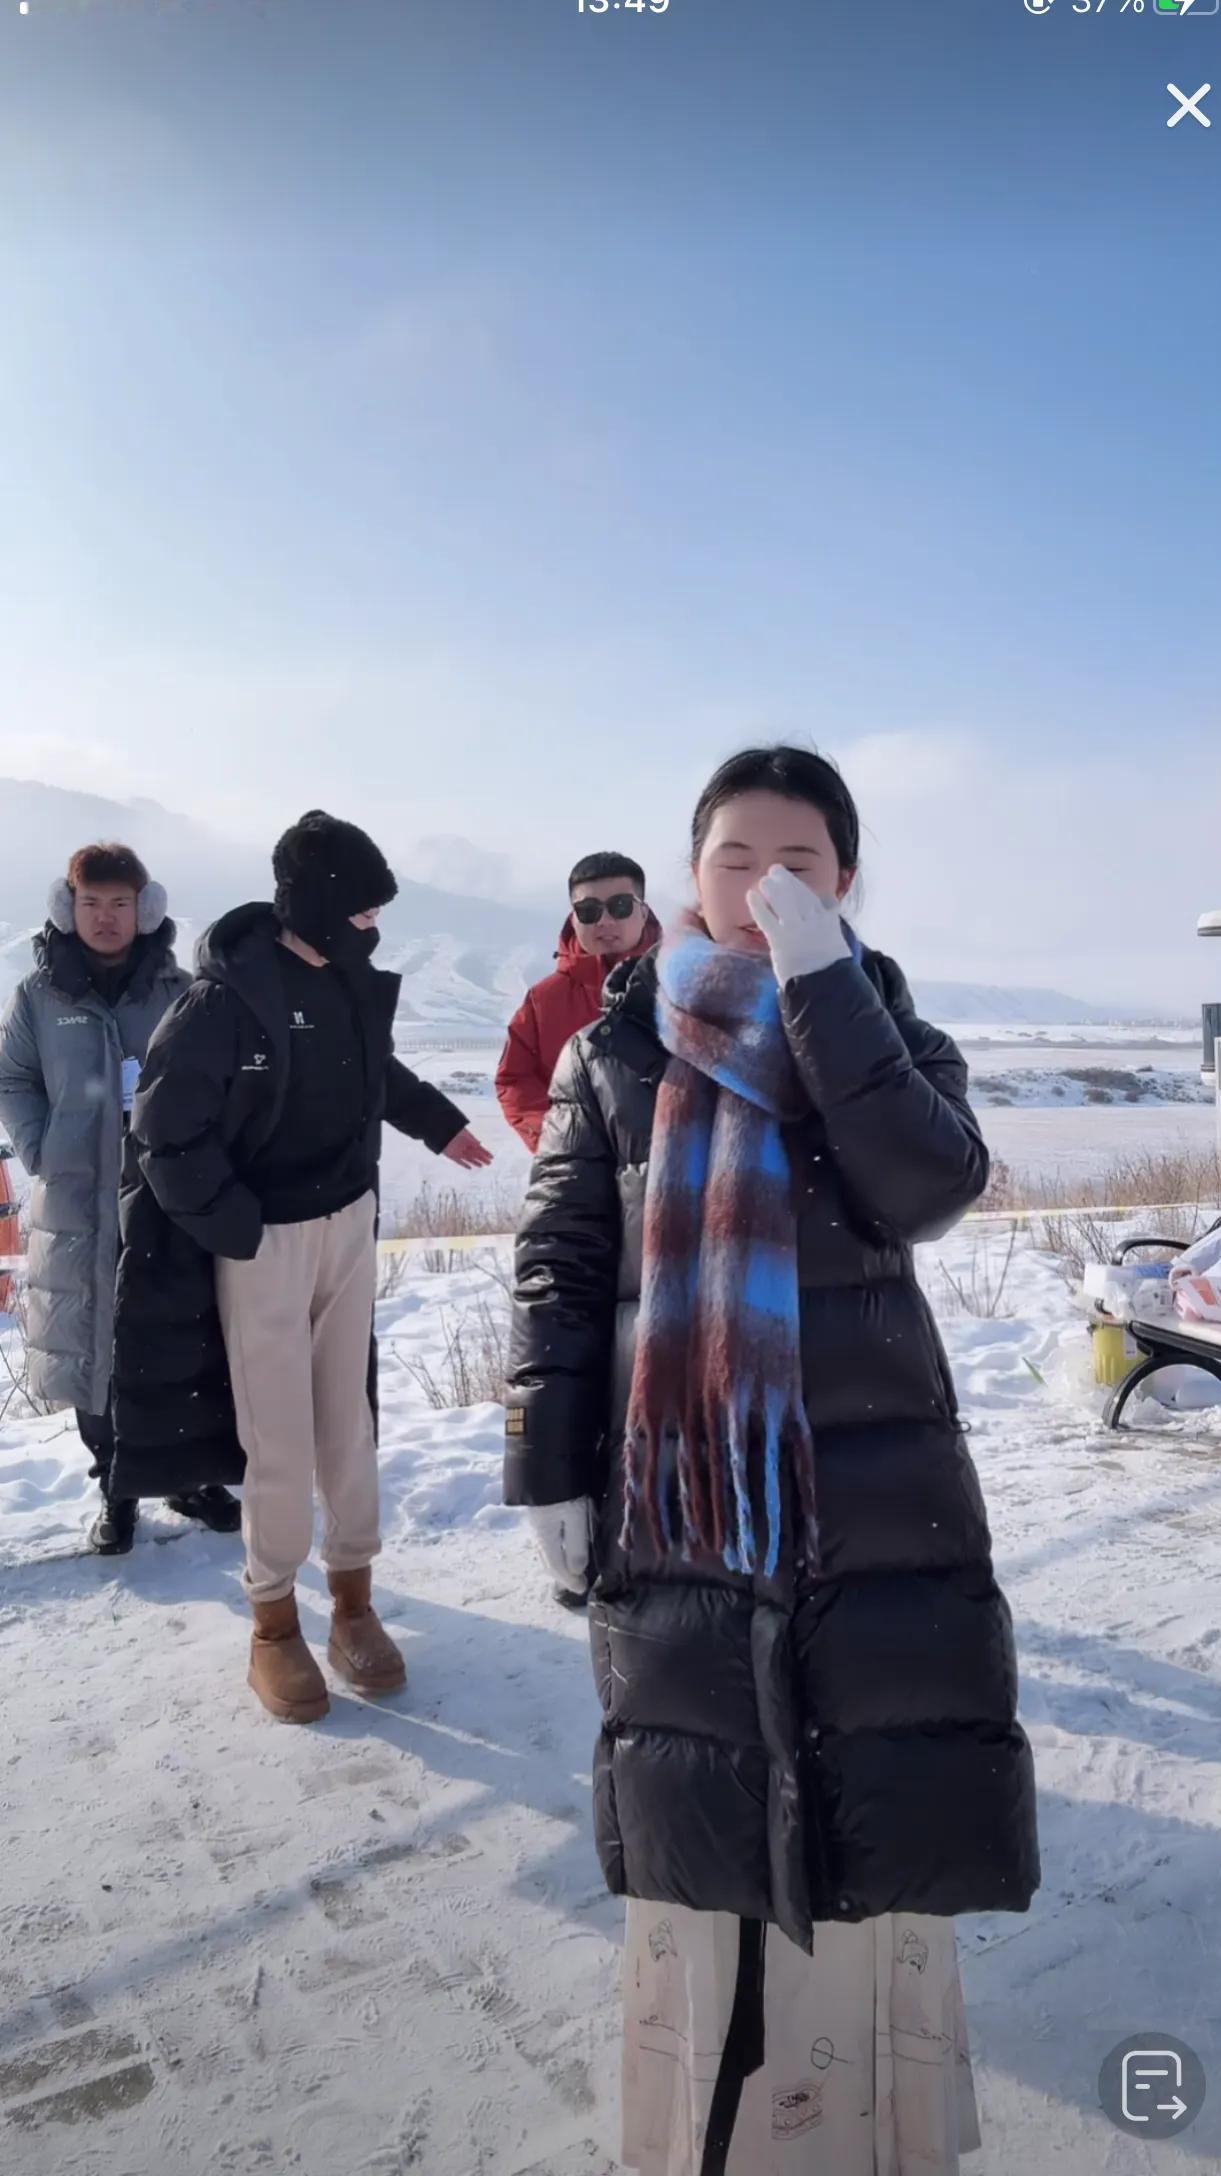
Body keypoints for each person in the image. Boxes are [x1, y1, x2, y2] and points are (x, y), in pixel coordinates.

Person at [504, 747, 1039, 2175]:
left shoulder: (889, 1030)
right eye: (734, 860)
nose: (761, 888)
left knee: (866, 1827)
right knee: (705, 1824)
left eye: (797, 864)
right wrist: (547, 1463)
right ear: (691, 874)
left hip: (873, 1500)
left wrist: (824, 993)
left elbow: (923, 1186)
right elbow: (560, 1267)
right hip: (682, 1504)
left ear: (845, 882)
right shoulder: (609, 1049)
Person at [108, 811, 493, 1723]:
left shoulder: (349, 984)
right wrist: (239, 1228)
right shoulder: (222, 1000)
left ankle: (354, 1607)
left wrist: (441, 1123)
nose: (374, 928)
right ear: (317, 905)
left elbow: (377, 1074)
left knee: (347, 1423)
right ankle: (273, 1625)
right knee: (277, 1438)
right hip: (264, 1245)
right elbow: (164, 1135)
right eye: (363, 911)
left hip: (349, 1224)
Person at [0, 843, 240, 1556]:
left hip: (167, 1200)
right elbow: (12, 1078)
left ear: (146, 909)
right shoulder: (40, 996)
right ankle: (116, 1486)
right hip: (76, 1204)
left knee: (176, 1332)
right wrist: (43, 1147)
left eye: (119, 903)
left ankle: (187, 1475)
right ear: (67, 908)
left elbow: (220, 1080)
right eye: (91, 903)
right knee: (92, 1347)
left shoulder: (178, 989)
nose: (105, 918)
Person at [496, 852, 660, 1154]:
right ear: (573, 917)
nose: (605, 921)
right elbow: (515, 1078)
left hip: (675, 1173)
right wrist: (559, 1140)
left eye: (620, 906)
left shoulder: (686, 984)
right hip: (579, 1181)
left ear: (644, 912)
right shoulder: (544, 1000)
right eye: (589, 910)